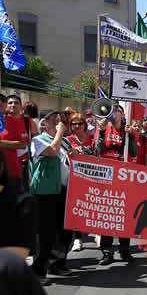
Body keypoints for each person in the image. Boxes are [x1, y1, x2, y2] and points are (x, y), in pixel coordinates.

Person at [30, 110, 77, 284]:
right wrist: (59, 133)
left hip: (63, 190)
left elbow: (67, 155)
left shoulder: (63, 141)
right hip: (45, 191)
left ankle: (58, 263)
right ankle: (38, 271)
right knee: (45, 233)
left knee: (63, 230)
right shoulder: (38, 140)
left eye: (59, 119)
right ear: (43, 124)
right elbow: (52, 151)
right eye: (53, 120)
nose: (58, 122)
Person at [94, 103, 138, 265]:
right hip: (107, 178)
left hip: (123, 179)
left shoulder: (126, 131)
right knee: (108, 215)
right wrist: (101, 131)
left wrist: (131, 136)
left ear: (121, 114)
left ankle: (124, 249)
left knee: (124, 216)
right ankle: (106, 251)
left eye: (116, 111)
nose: (112, 114)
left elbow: (134, 152)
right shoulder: (103, 130)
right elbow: (98, 150)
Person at [67, 113, 93, 252]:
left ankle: (96, 233)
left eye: (80, 124)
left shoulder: (92, 139)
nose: (77, 126)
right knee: (76, 209)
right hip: (74, 178)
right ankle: (78, 238)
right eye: (74, 124)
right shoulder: (67, 140)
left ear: (85, 125)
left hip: (91, 178)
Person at [0, 95, 30, 193]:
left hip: (10, 172)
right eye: (10, 103)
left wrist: (1, 143)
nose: (13, 105)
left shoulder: (14, 121)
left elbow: (23, 144)